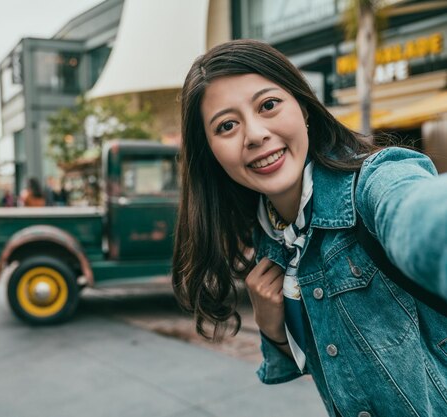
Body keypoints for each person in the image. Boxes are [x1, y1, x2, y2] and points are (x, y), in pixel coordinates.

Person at [172, 39, 447, 417]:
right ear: (211, 151)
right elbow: (335, 361)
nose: (254, 134)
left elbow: (417, 211)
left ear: (302, 106)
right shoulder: (270, 237)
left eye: (268, 105)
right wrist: (272, 328)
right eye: (227, 125)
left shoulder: (374, 183)